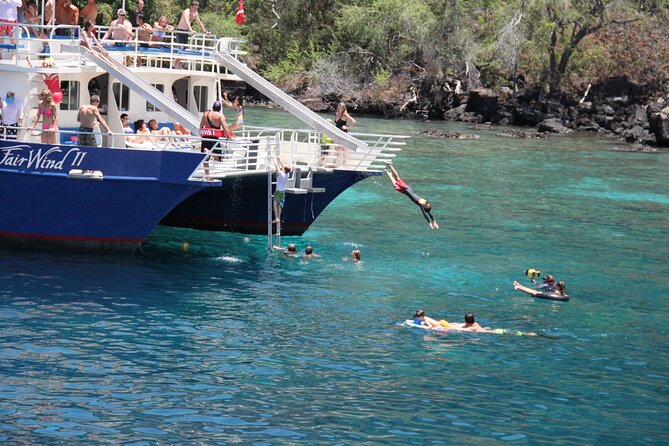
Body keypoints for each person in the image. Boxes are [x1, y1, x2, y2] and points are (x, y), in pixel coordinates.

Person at [384, 160, 439, 229]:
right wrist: (429, 223)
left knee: (396, 187)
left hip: (406, 192)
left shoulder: (426, 203)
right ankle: (390, 164)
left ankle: (389, 174)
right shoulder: (421, 204)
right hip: (406, 189)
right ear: (425, 207)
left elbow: (429, 213)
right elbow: (425, 214)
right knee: (397, 178)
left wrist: (434, 221)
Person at [273, 156, 290, 224]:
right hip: (283, 191)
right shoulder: (287, 174)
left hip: (278, 191)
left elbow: (276, 166)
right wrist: (280, 160)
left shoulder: (281, 173)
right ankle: (278, 218)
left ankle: (277, 218)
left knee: (275, 204)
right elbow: (284, 167)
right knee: (280, 205)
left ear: (284, 169)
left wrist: (274, 159)